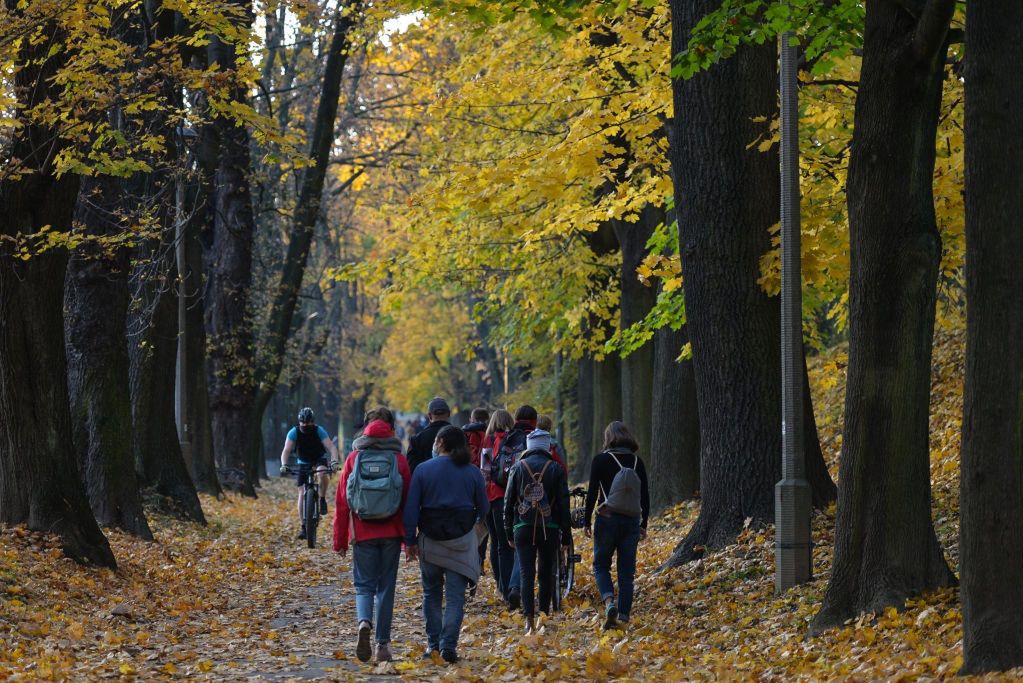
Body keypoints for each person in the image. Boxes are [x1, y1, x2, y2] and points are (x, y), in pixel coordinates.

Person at [403, 425, 488, 664]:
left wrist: (410, 540)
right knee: (455, 598)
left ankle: (433, 645)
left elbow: (411, 509)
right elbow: (484, 508)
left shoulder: (423, 470)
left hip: (430, 542)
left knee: (431, 594)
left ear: (439, 443)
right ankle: (448, 645)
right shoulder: (472, 473)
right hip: (460, 543)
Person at [333, 413, 411, 663]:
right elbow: (408, 502)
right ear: (390, 429)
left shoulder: (354, 457)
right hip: (391, 532)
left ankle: (364, 621)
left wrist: (340, 539)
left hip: (362, 531)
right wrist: (409, 539)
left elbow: (342, 502)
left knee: (364, 585)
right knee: (386, 589)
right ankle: (382, 646)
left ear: (365, 431)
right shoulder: (398, 459)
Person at [583, 421, 650, 630]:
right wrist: (643, 524)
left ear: (608, 437)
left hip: (607, 518)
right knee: (626, 572)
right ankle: (623, 616)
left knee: (601, 564)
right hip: (631, 521)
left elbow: (592, 492)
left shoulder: (601, 460)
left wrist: (586, 520)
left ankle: (609, 601)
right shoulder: (637, 462)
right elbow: (645, 496)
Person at [503, 429, 572, 633]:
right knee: (546, 573)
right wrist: (566, 534)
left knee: (526, 573)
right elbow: (563, 504)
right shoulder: (556, 469)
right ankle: (543, 617)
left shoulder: (517, 467)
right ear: (547, 446)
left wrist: (508, 531)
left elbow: (508, 502)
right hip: (548, 527)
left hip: (522, 526)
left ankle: (528, 620)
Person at [280, 407, 339, 539]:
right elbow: (286, 450)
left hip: (319, 458)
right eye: (303, 423)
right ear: (299, 422)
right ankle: (303, 526)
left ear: (313, 421)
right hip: (303, 461)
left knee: (322, 473)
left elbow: (331, 447)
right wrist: (284, 464)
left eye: (309, 422)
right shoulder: (293, 432)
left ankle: (322, 498)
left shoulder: (319, 430)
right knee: (301, 492)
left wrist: (334, 461)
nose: (306, 425)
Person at [462, 408, 490, 587]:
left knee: (469, 526)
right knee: (484, 525)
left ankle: (468, 561)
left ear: (472, 418)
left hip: (467, 484)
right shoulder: (492, 434)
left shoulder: (464, 434)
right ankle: (480, 560)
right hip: (487, 485)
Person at [406, 398, 452, 474]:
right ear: (449, 414)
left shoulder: (417, 440)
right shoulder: (460, 436)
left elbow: (411, 469)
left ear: (430, 416)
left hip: (427, 484)